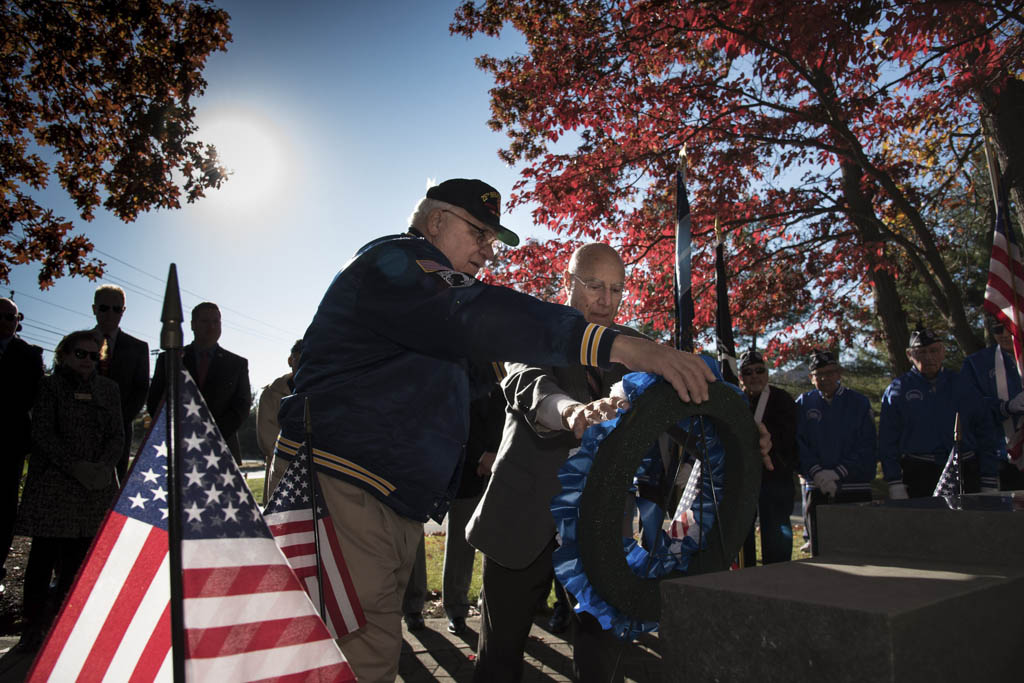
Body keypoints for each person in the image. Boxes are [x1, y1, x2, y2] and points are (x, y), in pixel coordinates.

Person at [273, 179, 718, 682]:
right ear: (436, 220)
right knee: (346, 658)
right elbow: (515, 364)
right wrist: (607, 374)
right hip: (352, 487)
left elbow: (675, 407)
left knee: (369, 650)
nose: (488, 251)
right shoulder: (396, 265)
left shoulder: (437, 309)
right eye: (479, 233)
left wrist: (731, 433)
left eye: (617, 290)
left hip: (393, 500)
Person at [15, 330, 123, 652]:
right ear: (64, 355)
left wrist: (103, 467)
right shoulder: (49, 386)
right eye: (81, 354)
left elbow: (118, 434)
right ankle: (34, 627)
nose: (87, 361)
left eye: (94, 355)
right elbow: (43, 433)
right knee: (43, 560)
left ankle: (67, 627)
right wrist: (75, 466)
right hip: (54, 490)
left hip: (93, 492)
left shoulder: (109, 390)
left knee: (78, 563)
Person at [880, 326, 998, 498]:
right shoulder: (898, 390)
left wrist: (989, 478)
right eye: (921, 352)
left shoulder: (964, 386)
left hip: (964, 469)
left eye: (934, 351)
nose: (928, 357)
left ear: (943, 351)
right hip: (919, 473)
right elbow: (887, 440)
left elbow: (986, 432)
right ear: (909, 355)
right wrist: (894, 482)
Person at [148, 302, 251, 465]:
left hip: (221, 450)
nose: (211, 326)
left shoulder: (237, 364)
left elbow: (242, 406)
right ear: (193, 325)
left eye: (216, 321)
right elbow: (155, 402)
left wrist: (210, 434)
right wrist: (184, 432)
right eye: (205, 321)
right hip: (178, 448)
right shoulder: (170, 360)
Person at [796, 350, 877, 556]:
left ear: (839, 373)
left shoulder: (858, 402)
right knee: (822, 551)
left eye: (830, 372)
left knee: (859, 549)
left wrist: (838, 472)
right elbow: (798, 444)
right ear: (811, 378)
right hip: (817, 487)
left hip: (854, 486)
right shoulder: (804, 403)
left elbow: (867, 445)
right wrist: (817, 473)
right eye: (818, 374)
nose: (825, 378)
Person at [443, 367, 505, 636]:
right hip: (468, 471)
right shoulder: (464, 369)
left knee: (497, 545)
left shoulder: (511, 368)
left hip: (504, 471)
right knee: (460, 545)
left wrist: (497, 455)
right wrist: (481, 455)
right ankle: (456, 609)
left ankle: (491, 606)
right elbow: (455, 418)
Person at [737, 349, 798, 566]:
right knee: (742, 531)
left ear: (767, 373)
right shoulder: (736, 402)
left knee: (777, 531)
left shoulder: (782, 400)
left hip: (775, 476)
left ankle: (779, 575)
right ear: (740, 377)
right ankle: (746, 572)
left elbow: (790, 438)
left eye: (759, 370)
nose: (754, 376)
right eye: (748, 372)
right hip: (744, 479)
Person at [0, 298, 44, 592]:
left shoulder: (29, 355)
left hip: (10, 443)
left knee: (4, 510)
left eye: (10, 316)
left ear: (18, 320)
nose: (4, 320)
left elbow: (35, 398)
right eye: (0, 315)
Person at [91, 284, 150, 482]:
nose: (110, 314)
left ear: (123, 311)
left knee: (114, 487)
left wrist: (119, 420)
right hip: (81, 430)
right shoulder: (76, 343)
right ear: (94, 309)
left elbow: (141, 389)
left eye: (117, 309)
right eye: (104, 308)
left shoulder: (138, 348)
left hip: (120, 430)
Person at [960, 316, 1024, 491]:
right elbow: (971, 408)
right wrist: (1006, 407)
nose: (1003, 334)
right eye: (997, 329)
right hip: (999, 456)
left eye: (1008, 328)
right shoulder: (976, 364)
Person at [258, 338, 302, 500]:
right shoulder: (272, 393)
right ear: (290, 360)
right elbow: (267, 441)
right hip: (280, 475)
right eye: (299, 358)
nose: (304, 364)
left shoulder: (321, 391)